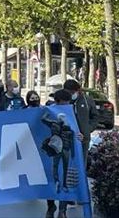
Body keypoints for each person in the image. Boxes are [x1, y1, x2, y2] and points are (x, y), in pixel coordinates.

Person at [43, 90, 79, 218]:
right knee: (52, 176)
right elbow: (42, 122)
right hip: (54, 148)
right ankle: (51, 206)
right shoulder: (49, 111)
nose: (67, 105)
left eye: (68, 103)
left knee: (65, 177)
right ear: (57, 101)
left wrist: (79, 135)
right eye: (64, 103)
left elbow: (77, 129)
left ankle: (62, 209)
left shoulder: (72, 112)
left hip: (67, 148)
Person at [62, 79, 97, 164]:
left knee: (81, 163)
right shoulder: (63, 101)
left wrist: (87, 129)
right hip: (67, 139)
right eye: (68, 92)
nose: (70, 95)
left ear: (78, 90)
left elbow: (95, 117)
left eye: (72, 92)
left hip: (83, 139)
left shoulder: (87, 100)